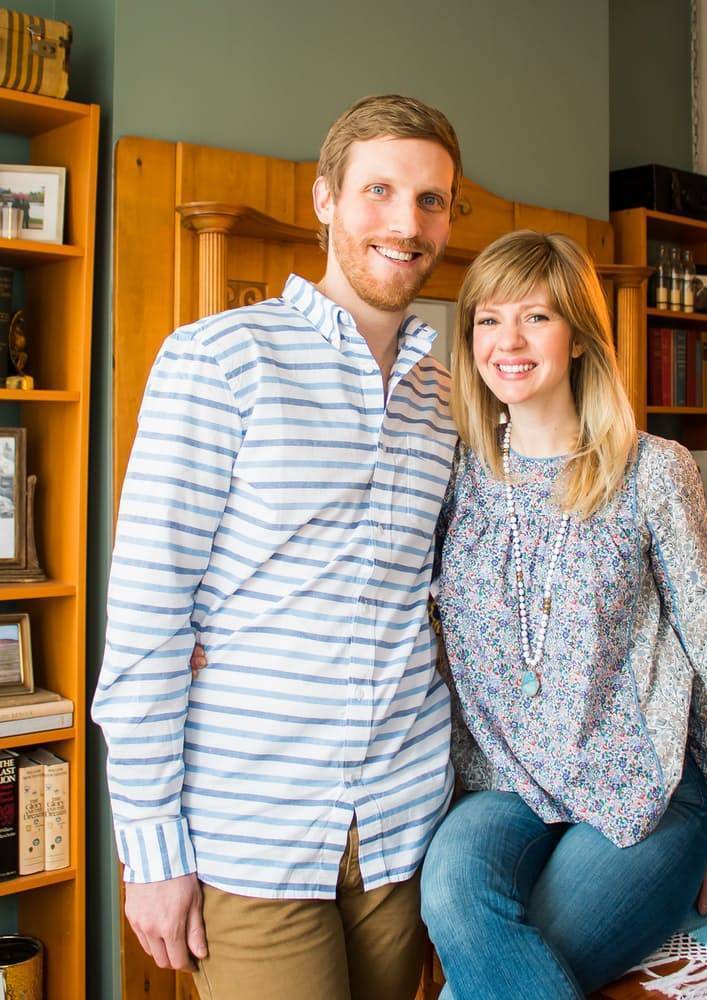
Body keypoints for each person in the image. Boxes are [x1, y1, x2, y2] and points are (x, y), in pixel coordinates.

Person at [92, 94, 463, 1000]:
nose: (406, 223)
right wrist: (150, 850)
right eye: (379, 190)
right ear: (325, 199)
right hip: (251, 834)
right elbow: (147, 619)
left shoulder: (445, 398)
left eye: (431, 200)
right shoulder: (218, 360)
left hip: (404, 826)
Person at [419, 230, 707, 999]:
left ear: (576, 338)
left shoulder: (653, 470)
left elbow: (706, 646)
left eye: (535, 317)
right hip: (503, 784)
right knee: (452, 897)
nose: (508, 342)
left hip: (642, 785)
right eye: (488, 320)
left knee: (498, 970)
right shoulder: (456, 474)